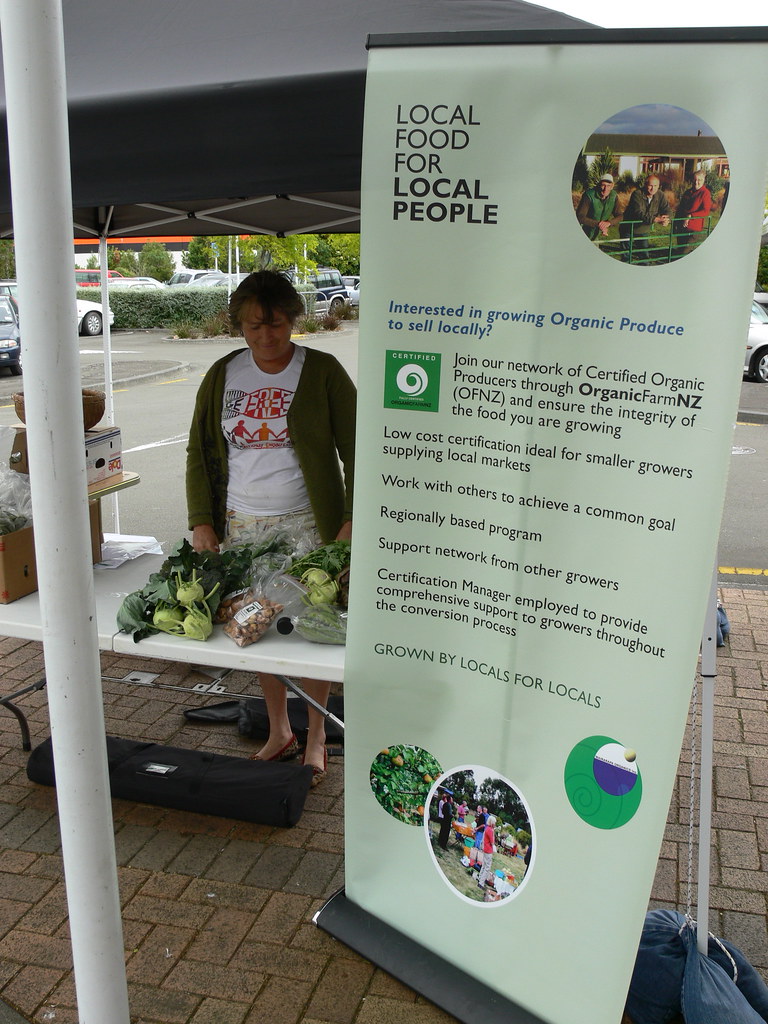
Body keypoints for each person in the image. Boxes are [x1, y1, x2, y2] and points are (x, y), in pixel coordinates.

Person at [186, 270, 356, 785]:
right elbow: (199, 449)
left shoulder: (322, 371)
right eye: (253, 326)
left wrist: (350, 520)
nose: (265, 336)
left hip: (308, 525)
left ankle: (318, 735)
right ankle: (280, 730)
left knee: (312, 633)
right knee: (254, 629)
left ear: (293, 320)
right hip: (241, 526)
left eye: (276, 325)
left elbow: (359, 449)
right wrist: (202, 520)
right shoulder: (223, 374)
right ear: (239, 323)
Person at [619, 175, 670, 262]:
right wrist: (655, 219)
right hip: (628, 229)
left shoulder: (660, 195)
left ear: (658, 186)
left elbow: (667, 209)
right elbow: (639, 213)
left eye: (655, 186)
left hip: (643, 230)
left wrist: (666, 218)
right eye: (650, 185)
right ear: (645, 185)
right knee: (626, 256)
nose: (652, 188)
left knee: (644, 257)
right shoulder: (637, 194)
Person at [674, 168, 712, 256]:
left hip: (694, 228)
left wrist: (691, 215)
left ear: (703, 180)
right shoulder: (688, 192)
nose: (696, 182)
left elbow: (706, 211)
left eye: (699, 180)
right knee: (680, 251)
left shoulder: (705, 193)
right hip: (681, 227)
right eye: (694, 180)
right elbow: (680, 208)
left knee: (685, 252)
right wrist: (675, 223)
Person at [576, 173, 621, 242]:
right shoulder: (589, 195)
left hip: (596, 236)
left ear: (612, 186)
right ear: (599, 185)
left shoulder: (614, 196)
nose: (605, 189)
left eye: (608, 186)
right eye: (603, 185)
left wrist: (608, 223)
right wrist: (599, 224)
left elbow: (620, 215)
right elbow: (580, 216)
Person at [477, 814, 496, 889]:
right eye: (494, 822)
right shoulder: (490, 830)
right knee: (487, 867)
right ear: (492, 822)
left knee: (484, 865)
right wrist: (493, 833)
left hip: (485, 849)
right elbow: (492, 842)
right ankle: (481, 883)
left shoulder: (487, 828)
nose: (495, 824)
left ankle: (479, 878)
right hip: (488, 850)